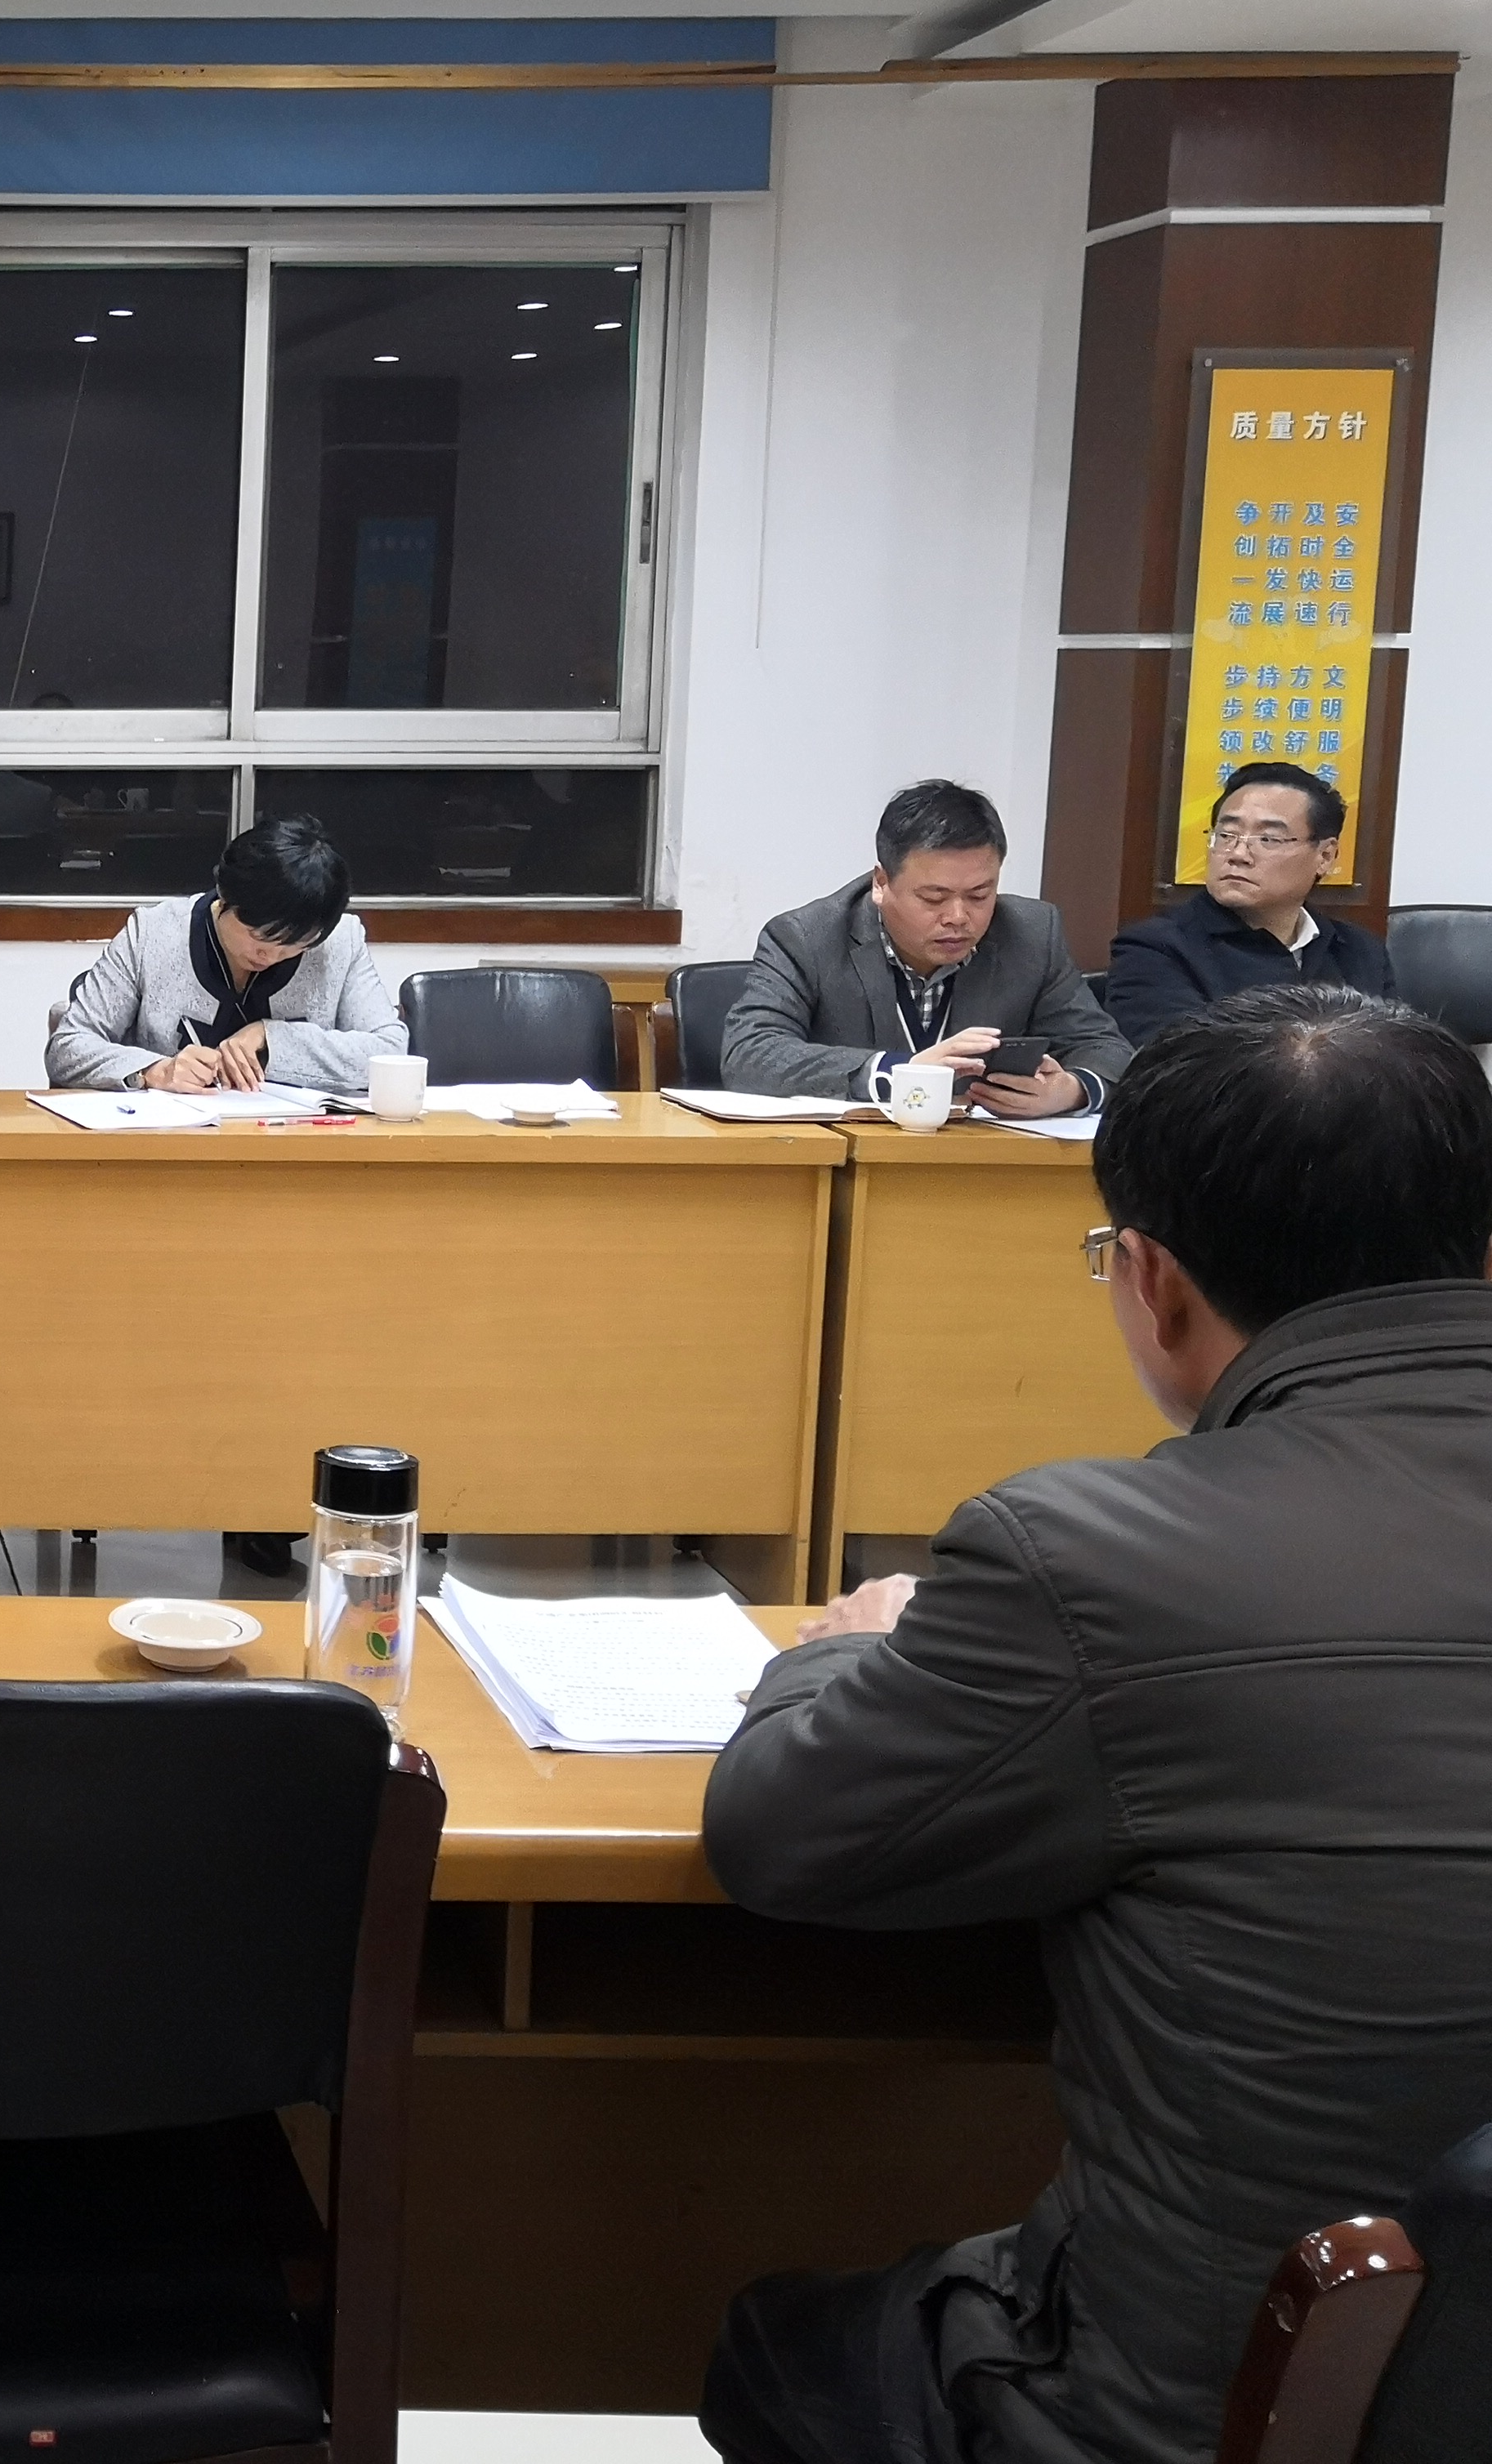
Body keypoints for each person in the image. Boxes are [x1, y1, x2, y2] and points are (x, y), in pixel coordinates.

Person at [697, 986, 1492, 2464]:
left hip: (1201, 2416)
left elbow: (776, 1838)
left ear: (1150, 1280)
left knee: (779, 2344)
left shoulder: (1093, 1558)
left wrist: (846, 1652)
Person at [725, 780, 1129, 1116]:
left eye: (979, 894)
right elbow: (750, 1054)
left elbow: (1107, 1050)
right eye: (934, 898)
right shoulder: (805, 938)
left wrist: (1072, 1091)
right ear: (881, 883)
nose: (958, 917)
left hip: (980, 1166)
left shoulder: (1032, 935)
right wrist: (898, 1073)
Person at [47, 813, 407, 1094]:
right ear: (224, 896)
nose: (270, 956)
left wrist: (272, 1037)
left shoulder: (340, 942)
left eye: (295, 947)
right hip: (168, 1146)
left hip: (298, 1148)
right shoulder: (153, 934)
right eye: (259, 937)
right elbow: (68, 1048)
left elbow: (391, 1053)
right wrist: (155, 1071)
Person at [1105, 761, 1398, 1047]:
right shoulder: (1155, 947)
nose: (1237, 854)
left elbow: (1397, 1056)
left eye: (1268, 839)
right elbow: (1179, 1063)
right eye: (1226, 835)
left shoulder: (1360, 951)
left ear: (1325, 856)